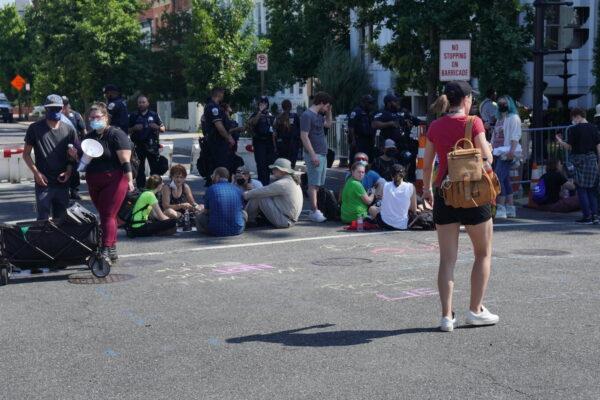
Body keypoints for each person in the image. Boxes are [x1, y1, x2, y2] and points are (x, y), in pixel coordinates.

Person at [423, 80, 498, 332]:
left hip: (445, 193)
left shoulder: (434, 125)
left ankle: (446, 317)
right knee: (483, 253)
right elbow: (486, 156)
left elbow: (428, 162)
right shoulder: (473, 122)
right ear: (466, 100)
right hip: (474, 192)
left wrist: (426, 189)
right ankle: (475, 310)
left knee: (447, 259)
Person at [84, 102, 134, 261]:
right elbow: (83, 161)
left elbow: (125, 159)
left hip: (114, 180)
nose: (93, 120)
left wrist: (130, 180)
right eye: (91, 118)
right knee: (105, 215)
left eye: (97, 117)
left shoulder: (116, 134)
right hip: (93, 180)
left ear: (105, 117)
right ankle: (112, 247)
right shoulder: (89, 136)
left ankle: (105, 248)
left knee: (108, 214)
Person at [23, 94, 79, 220]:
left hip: (62, 182)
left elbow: (73, 156)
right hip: (43, 181)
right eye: (51, 108)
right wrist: (36, 173)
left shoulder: (69, 130)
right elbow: (26, 154)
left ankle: (58, 241)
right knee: (43, 219)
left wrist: (69, 172)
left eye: (57, 108)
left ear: (62, 108)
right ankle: (43, 240)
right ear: (45, 109)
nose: (54, 111)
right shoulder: (35, 128)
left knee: (61, 219)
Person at [556, 108, 600, 224]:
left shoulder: (574, 130)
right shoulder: (594, 128)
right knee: (592, 189)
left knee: (581, 188)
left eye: (573, 118)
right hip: (592, 160)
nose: (572, 120)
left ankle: (587, 216)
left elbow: (569, 147)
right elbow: (598, 147)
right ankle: (595, 216)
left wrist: (560, 142)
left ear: (577, 116)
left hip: (579, 161)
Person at [300, 91, 333, 223]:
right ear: (321, 103)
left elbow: (328, 124)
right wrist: (312, 154)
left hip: (322, 153)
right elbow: (304, 136)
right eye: (327, 106)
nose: (327, 108)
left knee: (318, 184)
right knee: (313, 184)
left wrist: (329, 111)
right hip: (315, 154)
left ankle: (316, 210)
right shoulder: (307, 115)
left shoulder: (319, 115)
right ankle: (314, 211)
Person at [243, 158, 303, 228]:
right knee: (262, 195)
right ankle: (250, 219)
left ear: (283, 171)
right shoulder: (291, 181)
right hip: (288, 219)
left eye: (275, 169)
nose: (273, 170)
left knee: (259, 196)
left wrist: (245, 194)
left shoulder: (282, 184)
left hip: (284, 220)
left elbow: (261, 191)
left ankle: (244, 219)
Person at [492, 95, 522, 219]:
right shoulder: (499, 119)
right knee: (504, 179)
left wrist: (512, 151)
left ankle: (501, 207)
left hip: (507, 151)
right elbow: (495, 135)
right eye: (499, 103)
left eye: (503, 103)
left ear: (509, 104)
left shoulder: (513, 118)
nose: (501, 105)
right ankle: (510, 207)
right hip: (498, 151)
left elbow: (515, 135)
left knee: (498, 178)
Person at [129, 95, 166, 188]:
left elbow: (163, 128)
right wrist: (134, 128)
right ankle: (141, 190)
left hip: (152, 146)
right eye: (139, 102)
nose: (141, 104)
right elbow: (126, 130)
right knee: (139, 170)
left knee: (155, 169)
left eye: (143, 102)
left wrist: (157, 127)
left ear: (147, 103)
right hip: (138, 146)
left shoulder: (154, 115)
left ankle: (155, 189)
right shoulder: (133, 115)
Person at [196, 167, 246, 236]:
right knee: (244, 213)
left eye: (213, 175)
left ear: (217, 176)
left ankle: (204, 231)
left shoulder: (211, 189)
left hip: (216, 231)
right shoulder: (237, 189)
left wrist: (201, 210)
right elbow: (241, 209)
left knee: (199, 215)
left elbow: (206, 211)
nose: (212, 177)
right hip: (237, 230)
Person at [202, 88, 236, 183]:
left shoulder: (212, 106)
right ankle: (221, 190)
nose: (223, 96)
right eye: (223, 94)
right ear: (219, 94)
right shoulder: (213, 108)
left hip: (216, 142)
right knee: (221, 169)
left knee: (219, 168)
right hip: (217, 143)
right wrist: (229, 138)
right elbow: (219, 127)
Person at [370, 164, 418, 230]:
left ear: (391, 175)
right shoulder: (411, 187)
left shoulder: (385, 185)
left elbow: (379, 197)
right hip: (402, 225)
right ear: (404, 174)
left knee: (372, 209)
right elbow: (413, 209)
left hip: (384, 223)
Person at [61, 96, 87, 200]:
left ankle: (74, 190)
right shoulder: (58, 117)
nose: (63, 108)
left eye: (65, 105)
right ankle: (64, 190)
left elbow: (83, 131)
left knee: (74, 169)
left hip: (74, 146)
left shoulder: (76, 115)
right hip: (61, 146)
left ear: (68, 106)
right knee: (63, 168)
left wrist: (83, 147)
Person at [248, 96, 276, 186]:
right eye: (261, 103)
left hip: (269, 143)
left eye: (265, 103)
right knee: (261, 164)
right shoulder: (255, 114)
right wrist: (260, 112)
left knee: (268, 164)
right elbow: (253, 123)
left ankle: (266, 184)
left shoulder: (270, 115)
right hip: (259, 142)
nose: (263, 105)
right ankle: (261, 185)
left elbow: (274, 128)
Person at [274, 99, 301, 169]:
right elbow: (299, 130)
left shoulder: (278, 117)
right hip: (293, 145)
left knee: (283, 165)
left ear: (282, 107)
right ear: (291, 107)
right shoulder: (294, 116)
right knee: (291, 165)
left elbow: (276, 132)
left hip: (282, 146)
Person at [348, 95, 376, 161]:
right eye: (369, 103)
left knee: (369, 159)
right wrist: (353, 140)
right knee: (358, 159)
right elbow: (351, 126)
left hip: (369, 140)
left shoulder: (370, 113)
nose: (371, 105)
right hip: (359, 140)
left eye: (372, 103)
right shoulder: (356, 111)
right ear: (364, 102)